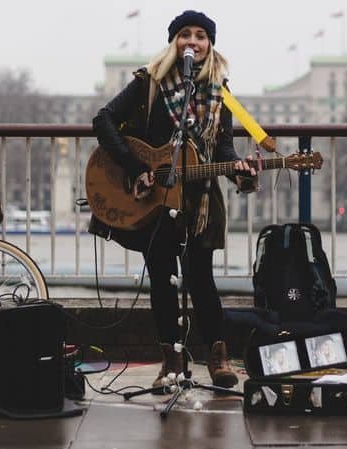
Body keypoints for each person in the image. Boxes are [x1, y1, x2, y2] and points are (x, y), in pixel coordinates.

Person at [91, 10, 258, 389]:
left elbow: (224, 149)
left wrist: (239, 170)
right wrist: (137, 167)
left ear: (210, 44)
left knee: (201, 278)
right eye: (185, 35)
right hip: (154, 198)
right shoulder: (149, 82)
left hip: (199, 200)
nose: (193, 42)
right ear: (174, 43)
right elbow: (103, 120)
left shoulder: (221, 91)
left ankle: (217, 359)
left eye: (201, 36)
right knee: (162, 279)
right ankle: (170, 360)